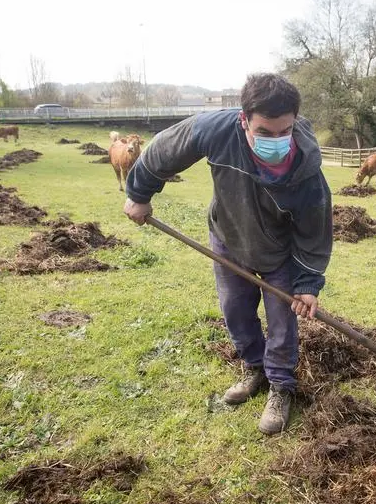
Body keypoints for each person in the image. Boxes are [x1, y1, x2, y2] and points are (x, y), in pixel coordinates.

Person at [123, 73, 333, 435]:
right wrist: (139, 194)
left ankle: (281, 386)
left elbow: (314, 235)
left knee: (281, 322)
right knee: (235, 310)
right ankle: (255, 368)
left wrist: (307, 284)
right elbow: (164, 150)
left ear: (295, 121)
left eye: (284, 131)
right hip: (228, 237)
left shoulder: (308, 173)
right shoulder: (217, 131)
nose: (276, 141)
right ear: (244, 120)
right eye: (264, 132)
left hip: (279, 253)